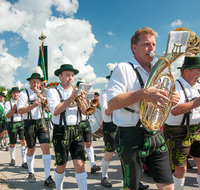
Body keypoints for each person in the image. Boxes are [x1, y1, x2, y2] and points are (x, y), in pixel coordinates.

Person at [106, 27, 180, 190]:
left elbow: (161, 101)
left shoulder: (160, 71)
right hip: (131, 135)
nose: (152, 48)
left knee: (168, 186)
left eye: (153, 44)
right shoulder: (123, 68)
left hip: (156, 133)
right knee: (130, 187)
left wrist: (170, 99)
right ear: (134, 47)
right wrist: (144, 93)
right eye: (146, 44)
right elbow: (111, 103)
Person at [47, 64, 88, 190]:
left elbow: (86, 112)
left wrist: (83, 100)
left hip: (76, 130)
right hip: (61, 131)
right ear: (60, 76)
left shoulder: (75, 91)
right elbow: (55, 111)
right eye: (67, 75)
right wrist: (71, 98)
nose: (70, 78)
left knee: (80, 164)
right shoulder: (53, 92)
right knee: (61, 164)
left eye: (72, 75)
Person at [164, 56, 200, 190]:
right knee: (182, 168)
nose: (199, 74)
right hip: (177, 131)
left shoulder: (198, 86)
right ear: (186, 71)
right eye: (197, 71)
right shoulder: (173, 87)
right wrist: (197, 102)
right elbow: (174, 110)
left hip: (195, 130)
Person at [17, 72, 55, 186]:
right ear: (29, 82)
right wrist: (34, 105)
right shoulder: (24, 94)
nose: (36, 84)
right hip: (29, 123)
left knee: (46, 147)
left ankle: (47, 176)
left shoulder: (44, 93)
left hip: (42, 122)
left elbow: (49, 108)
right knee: (31, 148)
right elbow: (20, 110)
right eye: (34, 82)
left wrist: (42, 99)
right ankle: (31, 171)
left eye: (38, 82)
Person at [76, 80, 101, 174]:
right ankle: (80, 168)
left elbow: (89, 109)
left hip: (86, 121)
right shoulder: (74, 96)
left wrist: (87, 101)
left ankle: (93, 165)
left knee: (89, 143)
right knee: (79, 145)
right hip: (77, 122)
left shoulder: (85, 96)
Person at [4, 87, 28, 168]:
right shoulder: (8, 103)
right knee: (12, 143)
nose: (16, 94)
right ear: (11, 94)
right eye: (14, 93)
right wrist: (13, 109)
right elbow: (7, 115)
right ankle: (12, 158)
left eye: (17, 93)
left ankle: (24, 161)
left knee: (23, 141)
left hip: (21, 123)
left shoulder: (22, 102)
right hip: (12, 123)